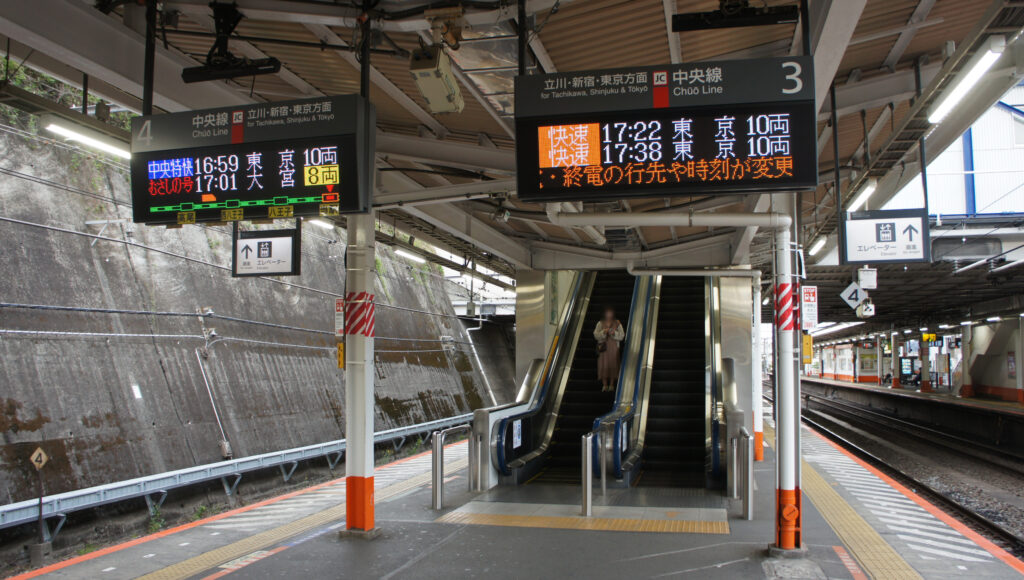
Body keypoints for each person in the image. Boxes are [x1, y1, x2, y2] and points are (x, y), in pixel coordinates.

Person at [594, 306, 625, 392]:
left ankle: (611, 385)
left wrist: (613, 332)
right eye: (607, 313)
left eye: (610, 313)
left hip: (614, 347)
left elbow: (622, 335)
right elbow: (596, 335)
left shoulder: (617, 323)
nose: (609, 314)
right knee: (603, 365)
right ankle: (604, 385)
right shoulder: (600, 323)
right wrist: (603, 332)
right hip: (603, 347)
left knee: (613, 365)